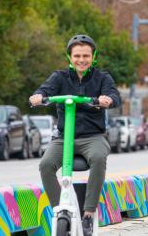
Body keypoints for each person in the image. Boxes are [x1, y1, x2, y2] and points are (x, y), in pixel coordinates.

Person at [29, 34, 121, 236]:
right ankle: (59, 210)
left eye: (86, 56)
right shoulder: (59, 77)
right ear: (70, 57)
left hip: (92, 137)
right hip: (63, 137)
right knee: (45, 165)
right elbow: (44, 90)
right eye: (77, 55)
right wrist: (38, 97)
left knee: (98, 158)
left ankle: (88, 213)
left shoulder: (102, 78)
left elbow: (114, 95)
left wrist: (108, 100)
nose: (81, 60)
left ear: (93, 56)